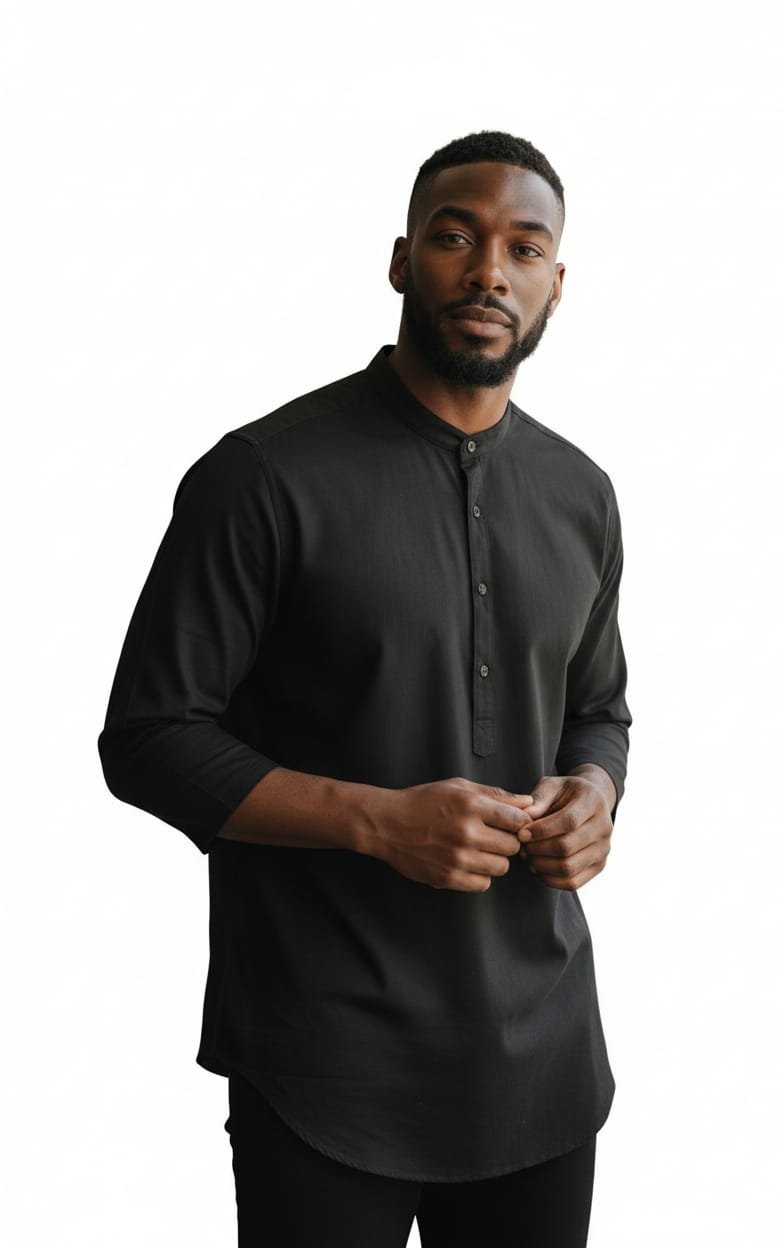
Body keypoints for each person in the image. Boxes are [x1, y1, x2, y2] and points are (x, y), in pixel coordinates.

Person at [99, 130, 631, 1248]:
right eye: (456, 237)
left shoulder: (583, 494)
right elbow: (149, 737)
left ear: (556, 284)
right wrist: (378, 822)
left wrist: (594, 790)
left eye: (524, 249)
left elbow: (597, 707)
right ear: (400, 260)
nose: (490, 272)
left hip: (541, 1059)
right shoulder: (262, 476)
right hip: (324, 1065)